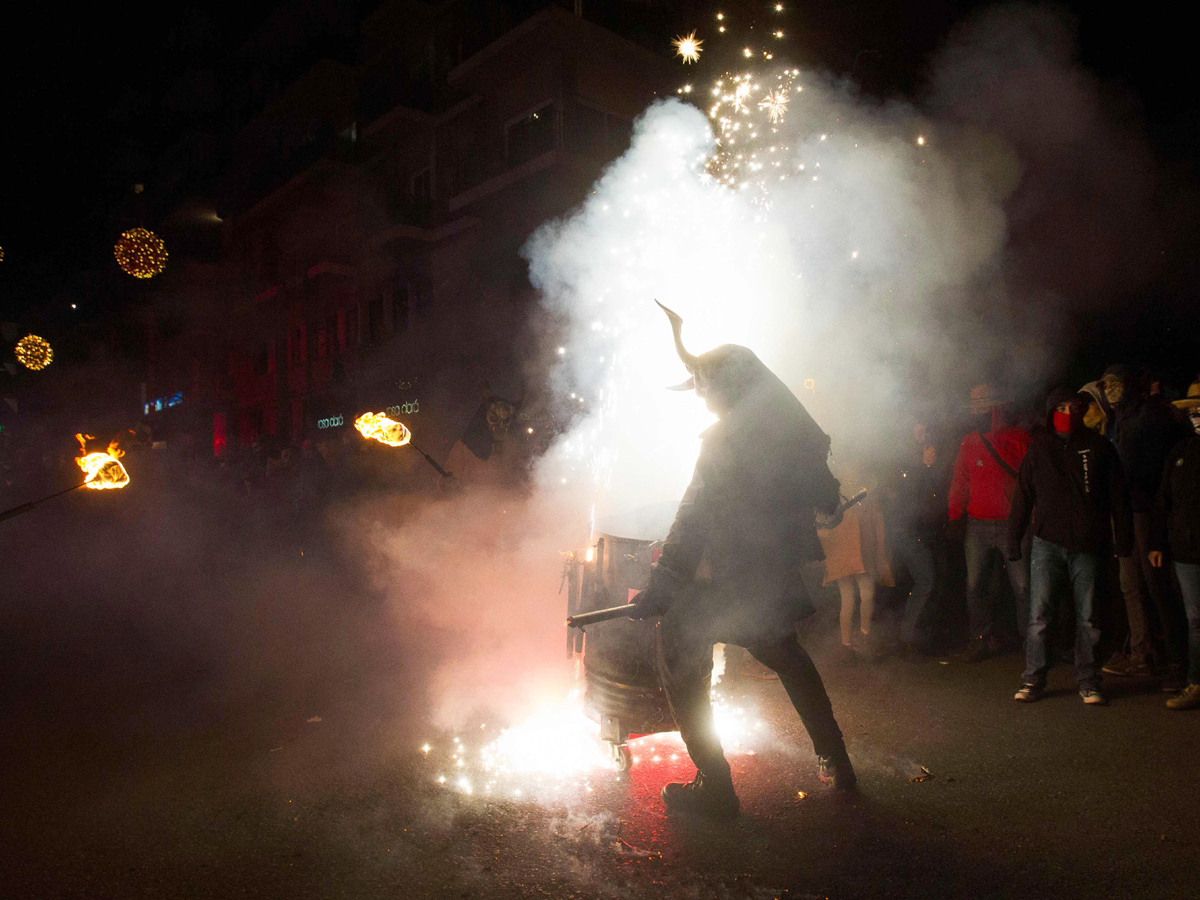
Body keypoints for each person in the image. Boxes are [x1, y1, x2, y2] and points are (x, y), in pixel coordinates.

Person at [630, 302, 854, 820]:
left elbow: (695, 513)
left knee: (680, 651)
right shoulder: (787, 431)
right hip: (768, 579)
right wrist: (829, 499)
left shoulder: (726, 438)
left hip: (728, 579)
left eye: (703, 384)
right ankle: (837, 760)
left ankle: (715, 785)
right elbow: (822, 490)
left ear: (723, 383)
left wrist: (664, 581)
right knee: (787, 657)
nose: (701, 395)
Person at [1007, 389, 1133, 705]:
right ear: (1051, 412)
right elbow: (1023, 497)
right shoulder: (1039, 450)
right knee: (1040, 616)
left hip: (1089, 544)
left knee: (1088, 617)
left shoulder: (1099, 447)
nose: (1068, 412)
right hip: (1047, 543)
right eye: (1061, 407)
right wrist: (1013, 539)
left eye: (1074, 407)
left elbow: (1118, 496)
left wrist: (1123, 539)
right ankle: (1033, 679)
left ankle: (1089, 681)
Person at [1099, 365, 1190, 688]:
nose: (1109, 389)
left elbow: (1150, 470)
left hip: (1147, 512)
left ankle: (1178, 661)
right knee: (1130, 584)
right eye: (1106, 383)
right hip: (1126, 511)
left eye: (1115, 383)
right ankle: (1143, 654)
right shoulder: (1118, 417)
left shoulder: (1148, 416)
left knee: (1158, 585)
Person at [948, 384, 1033, 661]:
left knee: (1023, 587)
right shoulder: (969, 441)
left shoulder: (1019, 439)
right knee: (976, 587)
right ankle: (981, 639)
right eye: (973, 403)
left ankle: (1031, 642)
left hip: (1014, 525)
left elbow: (1033, 481)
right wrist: (954, 516)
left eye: (981, 403)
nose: (976, 409)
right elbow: (960, 481)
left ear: (995, 405)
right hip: (978, 525)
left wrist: (1032, 516)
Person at [1152, 382, 1200, 710]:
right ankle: (1196, 683)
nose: (1197, 416)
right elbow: (1163, 503)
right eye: (1194, 411)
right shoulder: (1180, 453)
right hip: (1187, 553)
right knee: (1195, 619)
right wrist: (1157, 543)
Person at [883, 423, 950, 658]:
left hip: (930, 529)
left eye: (926, 429)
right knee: (925, 581)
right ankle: (905, 638)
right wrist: (923, 465)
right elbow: (905, 494)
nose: (923, 434)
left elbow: (937, 491)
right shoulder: (902, 458)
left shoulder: (935, 453)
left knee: (935, 582)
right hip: (907, 531)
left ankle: (921, 637)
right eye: (918, 429)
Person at [819, 463, 893, 662]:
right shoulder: (835, 495)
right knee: (849, 599)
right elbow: (824, 526)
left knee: (865, 595)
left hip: (861, 552)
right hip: (844, 553)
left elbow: (878, 523)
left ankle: (862, 638)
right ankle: (848, 645)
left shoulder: (866, 494)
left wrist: (880, 550)